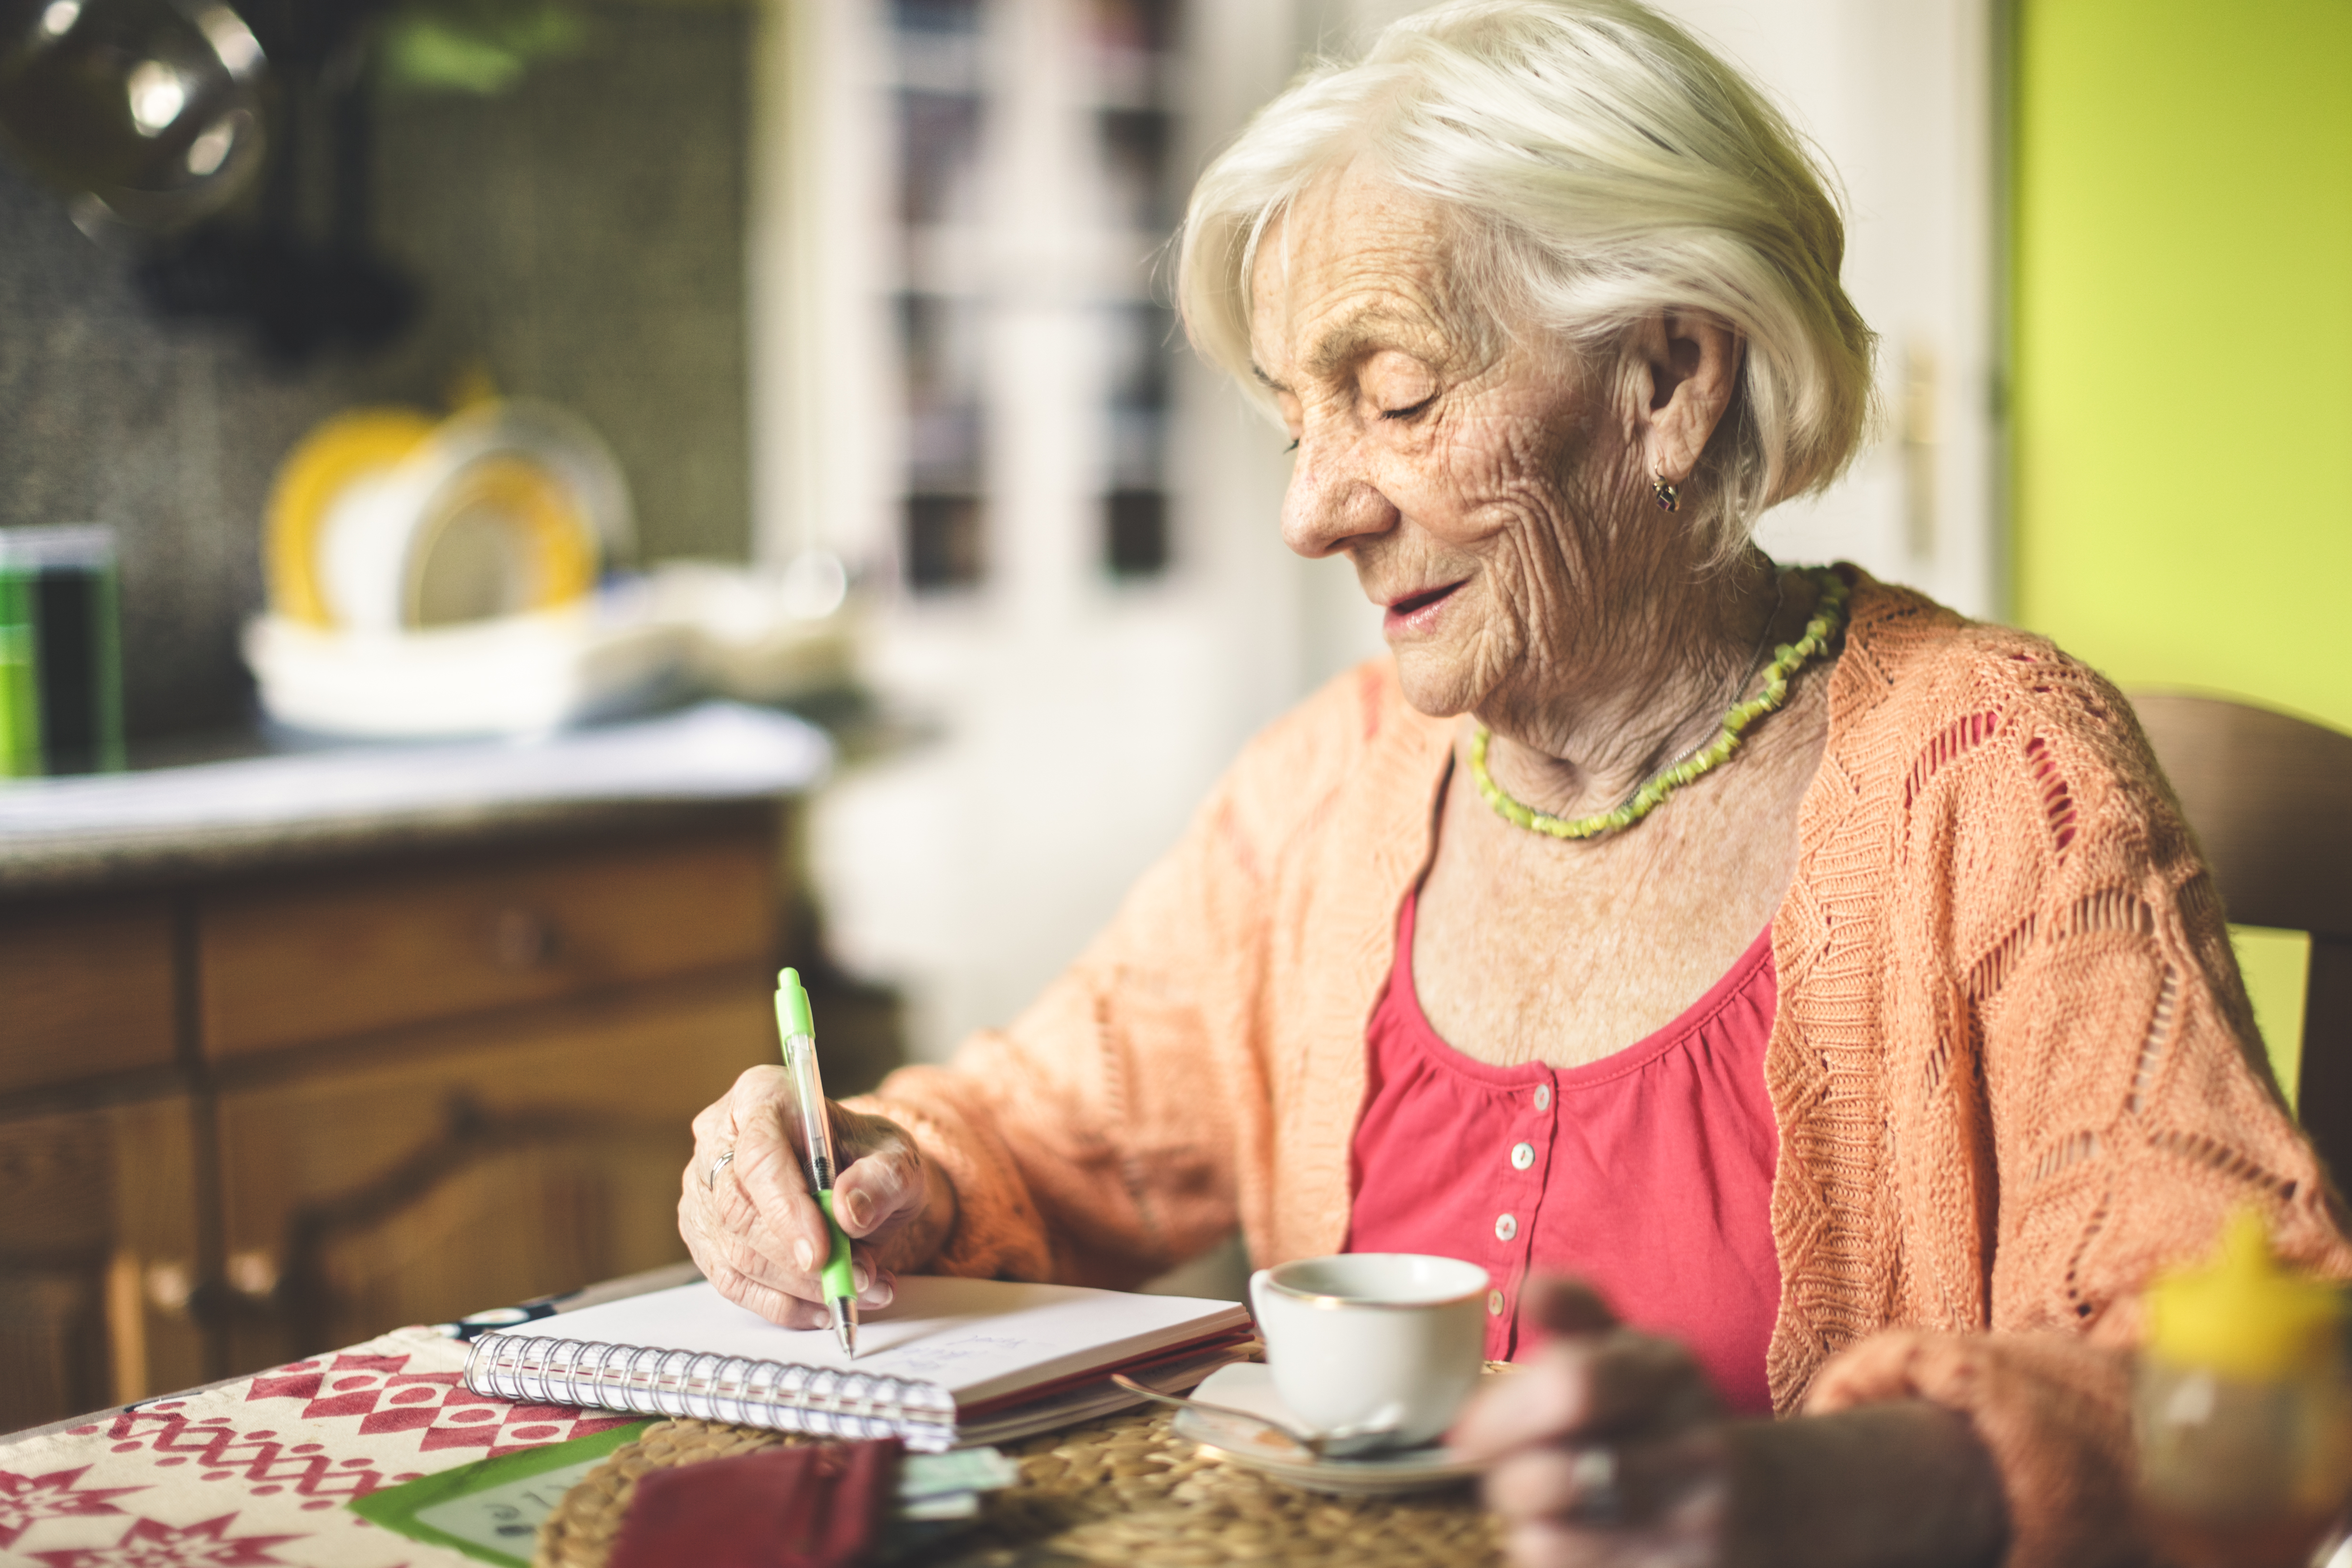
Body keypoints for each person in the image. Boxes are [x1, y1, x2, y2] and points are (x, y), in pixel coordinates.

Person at [680, 2, 2349, 1563]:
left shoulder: (1994, 781)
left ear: (1670, 382)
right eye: (1292, 425)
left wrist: (1803, 1492)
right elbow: (1033, 1138)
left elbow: (2262, 1381)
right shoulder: (1326, 790)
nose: (1313, 510)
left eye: (1394, 397)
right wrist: (869, 1168)